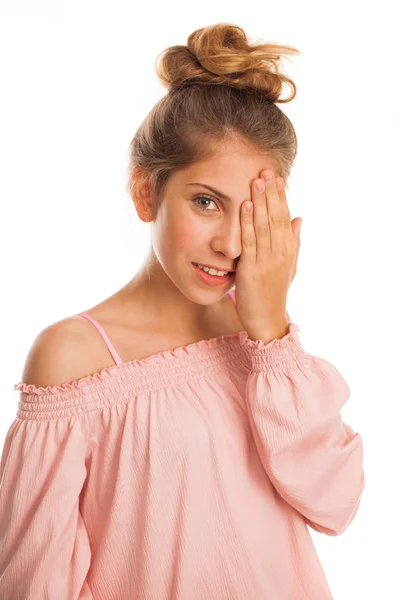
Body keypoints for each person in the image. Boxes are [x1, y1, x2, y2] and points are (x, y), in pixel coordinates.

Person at [0, 22, 365, 600]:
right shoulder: (75, 357)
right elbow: (36, 582)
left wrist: (271, 331)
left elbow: (336, 502)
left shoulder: (269, 350)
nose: (230, 243)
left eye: (249, 211)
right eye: (205, 202)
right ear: (147, 193)